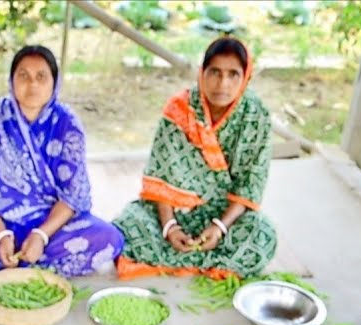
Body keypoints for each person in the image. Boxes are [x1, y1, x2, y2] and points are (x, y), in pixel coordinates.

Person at [0, 45, 122, 276]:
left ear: (55, 82)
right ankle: (29, 266)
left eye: (41, 77)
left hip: (50, 222)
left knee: (108, 238)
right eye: (24, 76)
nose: (32, 84)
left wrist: (40, 235)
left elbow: (73, 196)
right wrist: (1, 235)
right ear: (11, 81)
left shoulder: (68, 125)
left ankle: (10, 266)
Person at [113, 37, 276, 280]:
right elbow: (162, 178)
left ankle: (180, 260)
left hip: (225, 215)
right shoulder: (180, 109)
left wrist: (219, 228)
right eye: (215, 72)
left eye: (233, 74)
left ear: (245, 78)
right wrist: (170, 227)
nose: (222, 83)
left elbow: (250, 185)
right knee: (128, 225)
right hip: (176, 210)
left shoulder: (255, 115)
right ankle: (212, 262)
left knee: (262, 234)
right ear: (202, 73)